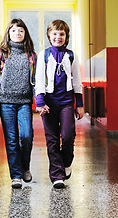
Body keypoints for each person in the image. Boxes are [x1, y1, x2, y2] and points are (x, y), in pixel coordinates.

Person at [0, 18, 37, 189]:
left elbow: (36, 81)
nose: (17, 33)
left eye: (21, 30)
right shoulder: (1, 53)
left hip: (25, 102)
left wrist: (40, 100)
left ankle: (25, 166)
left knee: (26, 136)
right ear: (8, 33)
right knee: (12, 140)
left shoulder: (31, 55)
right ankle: (16, 175)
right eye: (14, 30)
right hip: (6, 102)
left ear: (25, 34)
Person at [35, 19, 84, 189]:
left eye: (61, 34)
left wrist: (80, 104)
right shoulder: (44, 55)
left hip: (67, 102)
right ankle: (57, 175)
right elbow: (39, 79)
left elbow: (77, 81)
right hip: (49, 102)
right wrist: (40, 102)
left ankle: (66, 162)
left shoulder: (71, 56)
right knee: (52, 139)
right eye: (55, 33)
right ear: (49, 36)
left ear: (66, 36)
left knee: (68, 135)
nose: (58, 37)